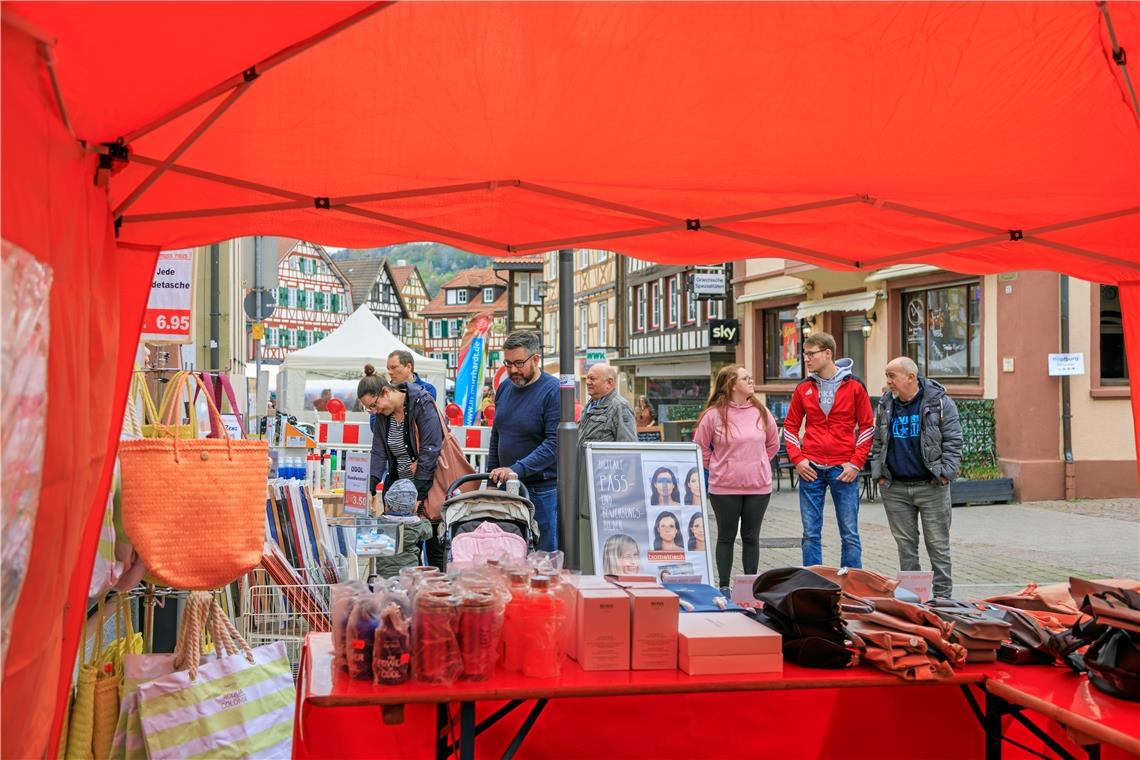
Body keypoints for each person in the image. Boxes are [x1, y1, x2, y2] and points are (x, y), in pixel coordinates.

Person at [870, 356, 963, 599]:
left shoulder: (939, 402)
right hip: (895, 489)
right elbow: (878, 441)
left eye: (892, 376)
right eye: (887, 376)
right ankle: (913, 598)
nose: (888, 381)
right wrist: (879, 473)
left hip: (931, 486)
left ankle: (943, 599)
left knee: (938, 547)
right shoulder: (885, 404)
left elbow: (954, 440)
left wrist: (946, 473)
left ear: (911, 377)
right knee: (906, 548)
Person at [783, 332, 874, 569]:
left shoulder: (854, 386)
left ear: (827, 353)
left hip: (843, 469)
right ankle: (814, 586)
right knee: (810, 533)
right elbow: (790, 427)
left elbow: (867, 427)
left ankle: (852, 586)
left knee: (850, 533)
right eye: (805, 354)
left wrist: (855, 463)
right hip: (810, 468)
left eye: (811, 354)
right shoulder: (803, 388)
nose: (806, 359)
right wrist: (798, 459)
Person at [692, 364, 780, 591]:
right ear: (731, 385)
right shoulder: (713, 415)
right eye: (745, 378)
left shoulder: (762, 412)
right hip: (724, 487)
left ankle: (750, 588)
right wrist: (719, 466)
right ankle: (723, 586)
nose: (751, 381)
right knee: (726, 536)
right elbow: (700, 447)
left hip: (758, 487)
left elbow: (773, 444)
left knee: (751, 537)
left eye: (750, 377)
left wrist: (757, 462)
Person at [357, 364, 447, 570]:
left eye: (373, 405)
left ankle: (432, 595)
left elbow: (430, 451)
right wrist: (371, 486)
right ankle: (395, 592)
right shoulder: (382, 416)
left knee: (433, 550)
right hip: (400, 492)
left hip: (428, 489)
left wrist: (419, 494)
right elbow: (378, 451)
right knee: (396, 552)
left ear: (386, 392)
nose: (374, 411)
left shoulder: (421, 403)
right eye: (368, 408)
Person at [487, 330, 560, 551]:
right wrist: (491, 480)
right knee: (507, 553)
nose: (512, 370)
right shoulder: (506, 387)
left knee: (542, 555)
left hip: (541, 489)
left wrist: (515, 469)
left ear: (535, 359)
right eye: (508, 364)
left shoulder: (553, 391)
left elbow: (554, 444)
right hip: (506, 486)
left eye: (519, 363)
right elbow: (497, 433)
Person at [577, 362, 637, 571]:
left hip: (606, 486)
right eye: (588, 378)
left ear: (609, 383)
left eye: (593, 378)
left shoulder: (619, 406)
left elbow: (628, 448)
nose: (589, 382)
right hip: (587, 481)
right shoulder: (592, 404)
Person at [374, 479, 434, 578]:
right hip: (409, 573)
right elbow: (428, 532)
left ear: (387, 506)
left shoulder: (381, 523)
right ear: (414, 508)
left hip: (385, 573)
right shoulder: (417, 524)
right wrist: (423, 518)